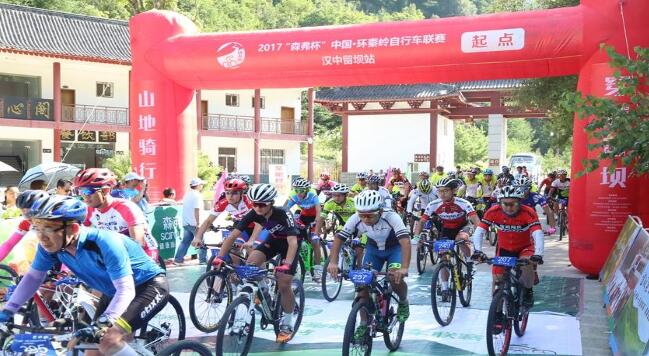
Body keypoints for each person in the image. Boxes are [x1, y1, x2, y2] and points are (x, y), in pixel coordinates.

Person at [0, 195, 168, 356]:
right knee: (91, 351)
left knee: (108, 339)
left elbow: (126, 289)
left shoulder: (105, 242)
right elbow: (33, 278)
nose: (42, 237)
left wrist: (103, 324)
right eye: (37, 228)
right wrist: (8, 311)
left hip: (148, 287)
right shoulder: (50, 247)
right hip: (112, 293)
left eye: (49, 229)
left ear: (73, 229)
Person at [213, 184, 300, 343]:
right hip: (273, 241)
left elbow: (292, 242)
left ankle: (287, 322)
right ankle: (264, 291)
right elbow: (232, 236)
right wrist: (220, 257)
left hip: (290, 243)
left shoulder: (283, 213)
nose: (258, 208)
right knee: (251, 264)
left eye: (262, 204)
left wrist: (287, 264)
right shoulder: (253, 213)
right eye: (254, 204)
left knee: (284, 284)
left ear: (271, 203)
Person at [327, 190, 411, 323]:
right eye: (362, 215)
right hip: (373, 251)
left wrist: (405, 267)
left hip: (394, 249)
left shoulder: (392, 217)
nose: (365, 219)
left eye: (370, 216)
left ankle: (403, 300)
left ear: (380, 211)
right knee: (362, 284)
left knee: (394, 277)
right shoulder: (355, 218)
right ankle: (363, 323)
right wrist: (333, 262)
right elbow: (339, 238)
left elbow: (405, 242)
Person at [471, 186, 545, 309]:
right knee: (497, 281)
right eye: (505, 204)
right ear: (500, 203)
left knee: (527, 264)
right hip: (504, 248)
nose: (509, 207)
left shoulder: (528, 212)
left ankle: (528, 290)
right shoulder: (493, 211)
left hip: (525, 247)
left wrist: (538, 254)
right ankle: (497, 314)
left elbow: (537, 233)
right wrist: (478, 251)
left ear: (520, 202)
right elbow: (479, 231)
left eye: (513, 204)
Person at [74, 168, 159, 263]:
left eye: (88, 191)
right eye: (80, 191)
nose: (84, 196)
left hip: (144, 251)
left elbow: (138, 244)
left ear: (106, 190)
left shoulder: (127, 208)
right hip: (116, 250)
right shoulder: (89, 210)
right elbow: (77, 238)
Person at [413, 177, 480, 299]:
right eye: (440, 191)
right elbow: (422, 222)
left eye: (446, 191)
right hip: (446, 229)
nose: (442, 194)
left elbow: (476, 221)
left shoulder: (464, 203)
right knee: (444, 258)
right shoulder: (434, 204)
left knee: (461, 239)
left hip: (463, 226)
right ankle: (444, 288)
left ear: (453, 191)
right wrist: (417, 237)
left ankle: (470, 261)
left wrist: (477, 236)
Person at [192, 178, 252, 250]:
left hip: (257, 225)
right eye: (227, 192)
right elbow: (208, 221)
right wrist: (198, 237)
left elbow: (259, 221)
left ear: (242, 193)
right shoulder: (223, 203)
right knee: (234, 248)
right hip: (241, 225)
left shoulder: (249, 201)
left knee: (251, 249)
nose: (230, 196)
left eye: (235, 193)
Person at [284, 178, 323, 280]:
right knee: (296, 239)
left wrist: (317, 222)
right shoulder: (294, 194)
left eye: (301, 190)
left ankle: (318, 269)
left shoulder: (312, 193)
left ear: (306, 190)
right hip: (304, 216)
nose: (299, 193)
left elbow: (319, 210)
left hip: (314, 216)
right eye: (296, 190)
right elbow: (285, 209)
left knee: (314, 241)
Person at [0, 190, 49, 262]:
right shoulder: (26, 223)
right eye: (24, 214)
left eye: (30, 213)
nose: (28, 218)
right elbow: (9, 244)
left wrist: (65, 270)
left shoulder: (56, 222)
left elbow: (68, 248)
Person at [174, 178, 207, 265]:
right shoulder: (197, 195)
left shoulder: (187, 194)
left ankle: (178, 259)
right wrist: (198, 223)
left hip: (186, 222)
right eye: (201, 184)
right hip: (194, 223)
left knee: (185, 242)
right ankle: (203, 261)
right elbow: (197, 209)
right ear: (198, 185)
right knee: (201, 241)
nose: (202, 186)